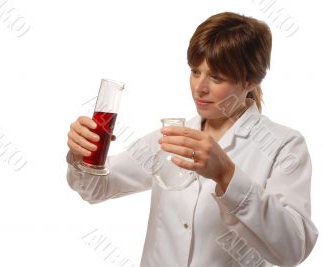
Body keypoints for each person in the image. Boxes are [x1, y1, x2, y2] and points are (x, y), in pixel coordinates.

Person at [66, 12, 318, 267]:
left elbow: (293, 249)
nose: (200, 87)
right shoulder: (170, 137)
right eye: (195, 72)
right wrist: (82, 155)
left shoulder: (284, 145)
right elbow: (96, 188)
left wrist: (227, 176)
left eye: (216, 77)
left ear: (250, 81)